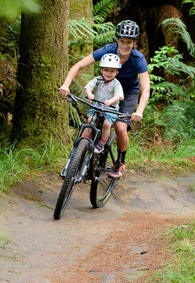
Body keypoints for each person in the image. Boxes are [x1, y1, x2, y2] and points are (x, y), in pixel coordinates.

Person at [59, 20, 150, 178]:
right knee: (91, 120)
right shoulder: (108, 51)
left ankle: (120, 162)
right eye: (122, 41)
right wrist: (66, 85)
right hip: (106, 91)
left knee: (121, 128)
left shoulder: (138, 59)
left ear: (134, 43)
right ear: (117, 40)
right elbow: (79, 65)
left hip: (127, 94)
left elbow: (146, 88)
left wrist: (139, 110)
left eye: (129, 42)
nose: (125, 45)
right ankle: (79, 155)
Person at [83, 53, 124, 154]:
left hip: (110, 109)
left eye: (112, 71)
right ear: (101, 70)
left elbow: (119, 95)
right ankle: (84, 140)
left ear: (116, 72)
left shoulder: (116, 83)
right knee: (89, 120)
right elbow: (88, 87)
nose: (108, 73)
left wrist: (111, 101)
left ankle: (102, 143)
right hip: (96, 106)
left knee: (106, 124)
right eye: (106, 70)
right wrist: (89, 94)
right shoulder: (97, 80)